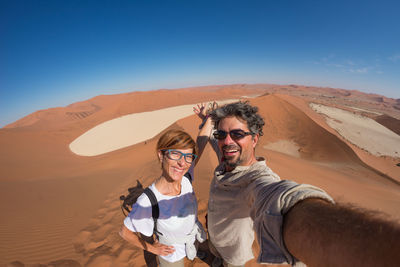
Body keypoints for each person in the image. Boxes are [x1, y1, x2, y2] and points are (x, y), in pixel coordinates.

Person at [194, 101, 400, 267]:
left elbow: (279, 198)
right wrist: (207, 121)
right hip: (215, 236)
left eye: (237, 134)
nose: (227, 141)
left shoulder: (258, 180)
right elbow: (215, 141)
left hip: (234, 253)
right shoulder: (226, 155)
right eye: (222, 135)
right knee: (214, 251)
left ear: (255, 140)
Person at [120, 129, 206, 267]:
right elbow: (125, 232)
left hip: (191, 240)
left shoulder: (185, 179)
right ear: (161, 155)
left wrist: (208, 119)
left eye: (188, 156)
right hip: (171, 255)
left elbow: (200, 145)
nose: (182, 163)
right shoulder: (148, 200)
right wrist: (153, 249)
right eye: (176, 154)